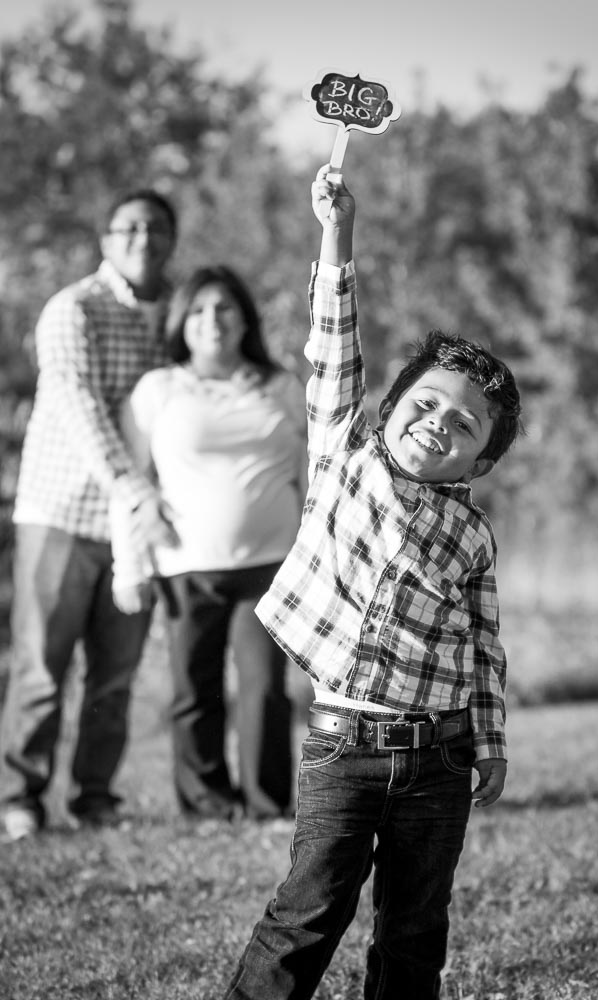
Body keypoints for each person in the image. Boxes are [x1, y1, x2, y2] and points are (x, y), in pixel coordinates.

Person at [220, 166, 522, 1000]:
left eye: (463, 425)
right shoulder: (343, 457)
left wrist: (488, 744)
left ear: (482, 460)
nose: (438, 425)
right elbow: (331, 345)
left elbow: (482, 646)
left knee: (415, 929)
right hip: (342, 749)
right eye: (424, 405)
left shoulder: (471, 533)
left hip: (440, 757)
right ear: (386, 410)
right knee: (308, 912)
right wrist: (336, 236)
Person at [0, 189, 178, 842]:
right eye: (127, 226)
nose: (142, 237)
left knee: (116, 673)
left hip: (142, 530)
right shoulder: (72, 308)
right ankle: (20, 798)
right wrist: (134, 490)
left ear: (171, 240)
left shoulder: (179, 315)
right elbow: (78, 407)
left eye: (156, 227)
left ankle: (95, 798)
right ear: (105, 239)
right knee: (42, 668)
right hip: (62, 513)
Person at [111, 265, 308, 822]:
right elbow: (131, 480)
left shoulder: (282, 386)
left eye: (224, 308)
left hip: (272, 566)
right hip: (184, 567)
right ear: (181, 323)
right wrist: (129, 568)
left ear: (245, 318)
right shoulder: (158, 390)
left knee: (265, 689)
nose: (211, 320)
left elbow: (310, 472)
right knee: (193, 692)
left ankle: (268, 806)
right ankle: (206, 806)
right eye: (198, 310)